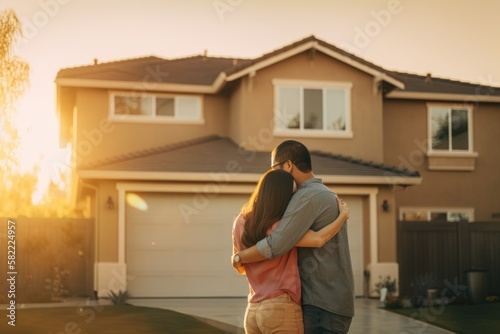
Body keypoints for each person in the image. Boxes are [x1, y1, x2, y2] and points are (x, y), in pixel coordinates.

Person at [232, 140, 355, 334]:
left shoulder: (304, 197)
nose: (272, 173)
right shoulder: (324, 194)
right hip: (327, 301)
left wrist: (239, 258)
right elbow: (314, 239)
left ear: (288, 165)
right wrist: (343, 217)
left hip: (320, 304)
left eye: (274, 168)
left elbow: (276, 244)